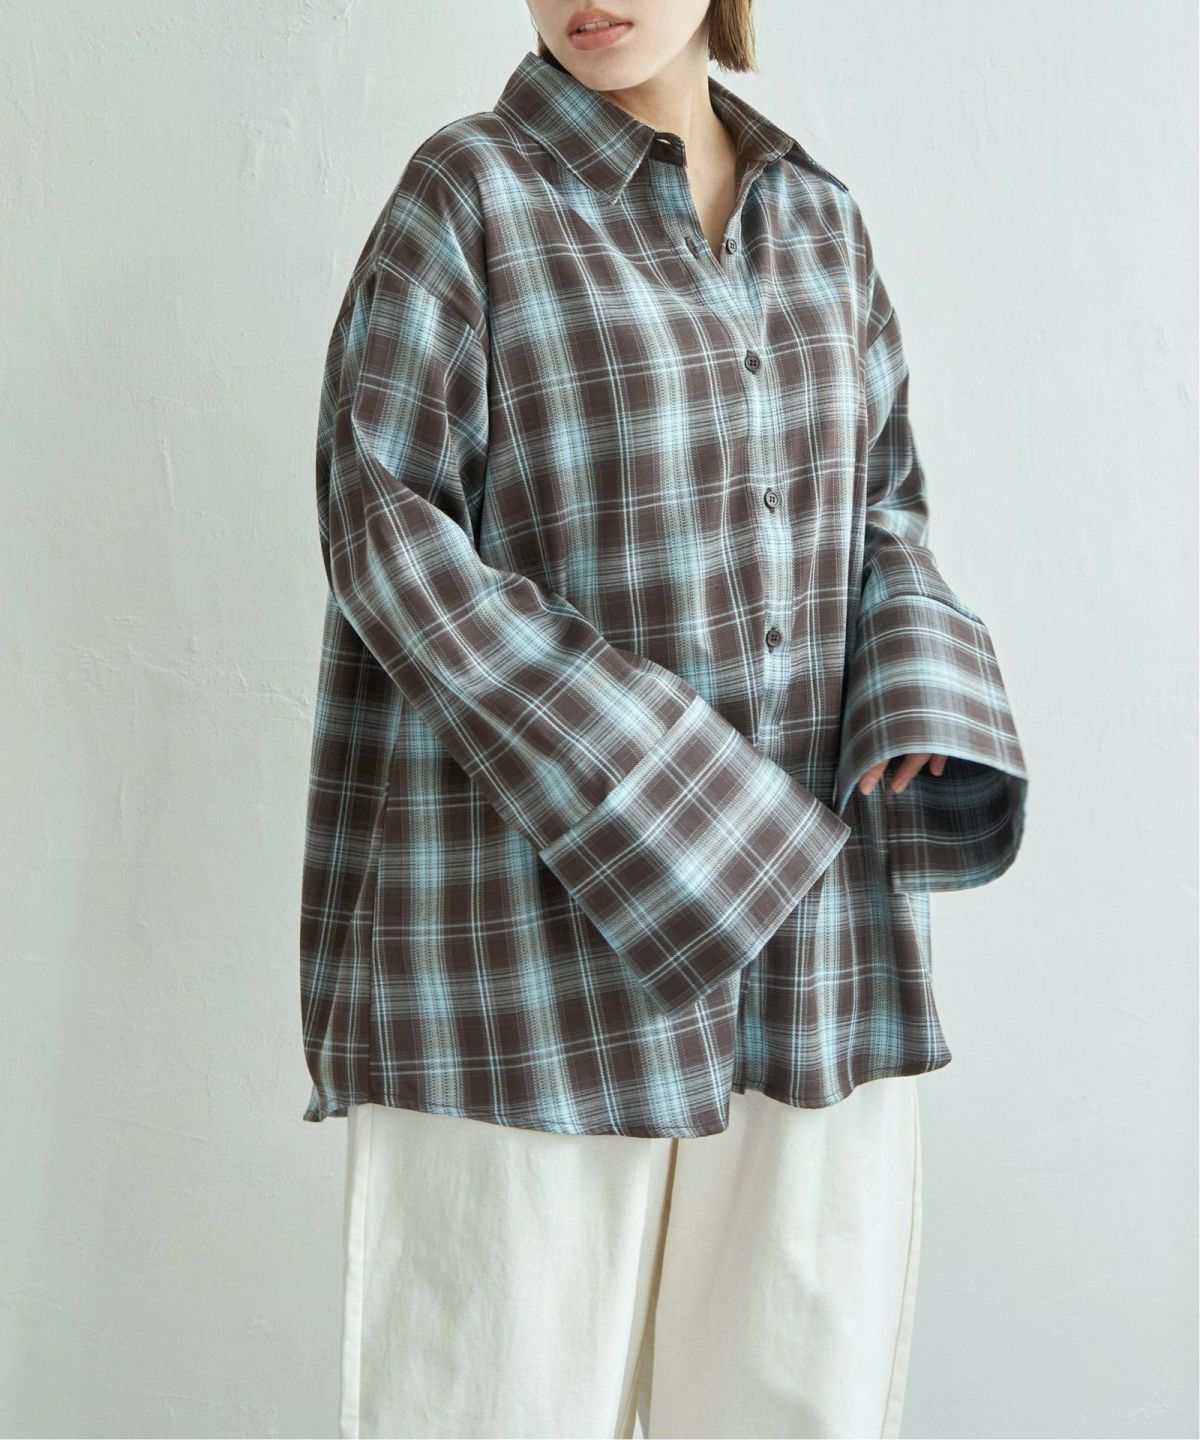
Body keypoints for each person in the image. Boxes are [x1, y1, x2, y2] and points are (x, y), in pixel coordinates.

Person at [300, 2, 1029, 1436]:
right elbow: (385, 533)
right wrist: (674, 797)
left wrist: (918, 693)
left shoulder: (821, 225)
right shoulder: (470, 196)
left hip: (813, 960)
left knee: (792, 1403)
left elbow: (885, 513)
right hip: (520, 969)